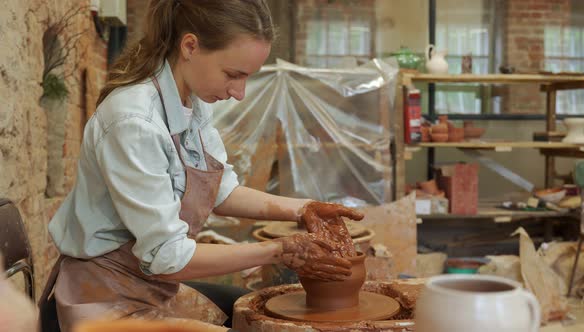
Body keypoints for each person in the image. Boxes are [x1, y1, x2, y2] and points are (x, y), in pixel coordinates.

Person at [39, 1, 364, 331]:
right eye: (233, 75)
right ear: (190, 46)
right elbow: (167, 258)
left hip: (149, 285)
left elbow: (221, 192)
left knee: (249, 308)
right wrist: (279, 250)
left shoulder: (189, 103)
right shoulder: (134, 122)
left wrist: (304, 209)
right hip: (104, 300)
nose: (239, 93)